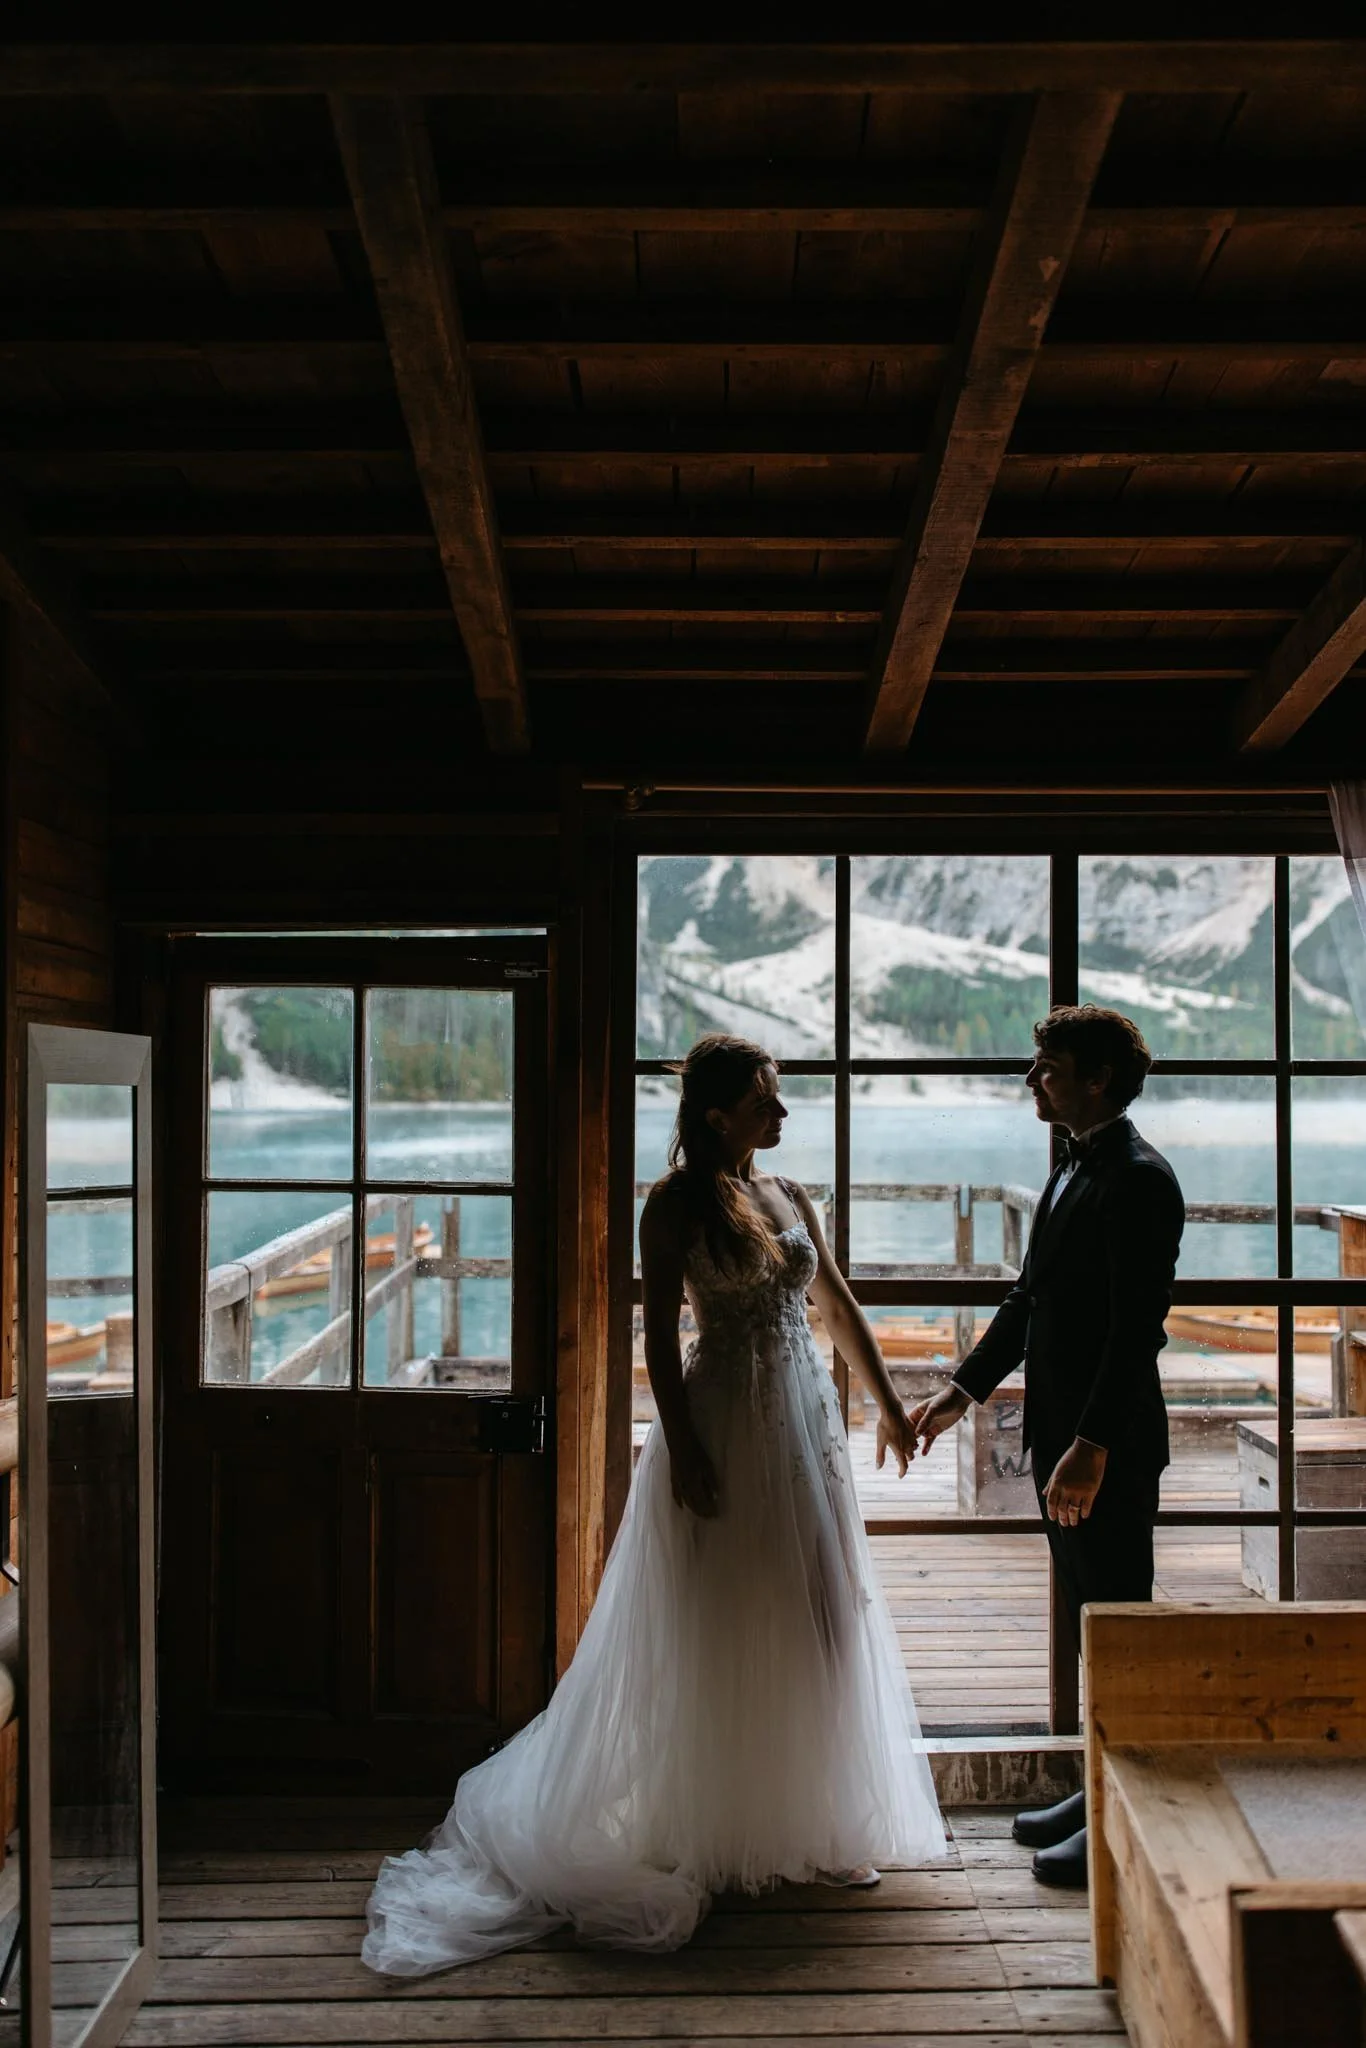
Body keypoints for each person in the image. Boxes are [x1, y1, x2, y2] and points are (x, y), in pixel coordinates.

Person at [362, 1032, 945, 1975]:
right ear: (719, 1116)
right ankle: (713, 1828)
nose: (783, 1114)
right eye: (766, 1101)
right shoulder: (672, 1204)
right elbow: (662, 1341)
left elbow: (833, 1302)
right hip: (722, 1422)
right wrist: (680, 1452)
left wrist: (886, 1406)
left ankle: (825, 1821)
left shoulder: (790, 1196)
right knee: (721, 1620)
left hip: (802, 1426)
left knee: (827, 1614)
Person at [909, 1004, 1184, 1891]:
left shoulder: (1140, 1178)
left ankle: (1125, 1816)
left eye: (1049, 1065)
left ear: (1097, 1078)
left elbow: (1137, 1329)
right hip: (1060, 1435)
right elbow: (1030, 1303)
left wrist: (1094, 1444)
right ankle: (1093, 1786)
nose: (1033, 1079)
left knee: (1119, 1625)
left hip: (1105, 1444)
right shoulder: (1072, 1164)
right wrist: (961, 1390)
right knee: (1084, 1621)